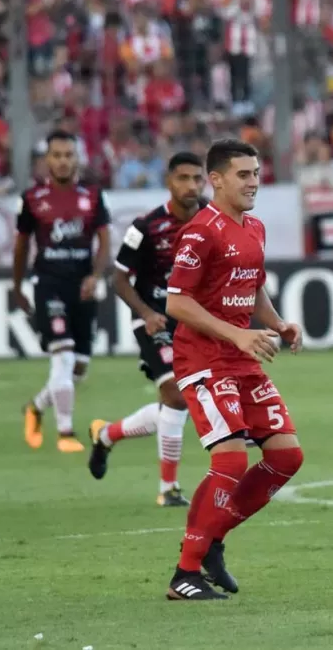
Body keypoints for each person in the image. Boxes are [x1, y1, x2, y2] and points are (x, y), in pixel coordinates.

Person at [162, 140, 305, 601]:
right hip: (203, 359)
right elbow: (177, 302)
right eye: (243, 174)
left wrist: (276, 323)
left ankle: (213, 536)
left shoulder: (255, 228)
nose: (253, 182)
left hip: (242, 357)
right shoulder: (201, 232)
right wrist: (237, 334)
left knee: (286, 457)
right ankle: (185, 573)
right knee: (230, 459)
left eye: (257, 173)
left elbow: (253, 287)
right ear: (216, 180)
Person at [87, 153, 207, 507]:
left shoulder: (212, 220)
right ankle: (168, 489)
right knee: (177, 393)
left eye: (197, 179)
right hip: (153, 317)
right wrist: (145, 312)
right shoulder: (147, 227)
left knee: (179, 401)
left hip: (193, 318)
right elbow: (119, 278)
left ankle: (107, 434)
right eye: (183, 178)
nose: (191, 186)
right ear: (169, 182)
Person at [15, 130, 112, 453]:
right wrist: (17, 285)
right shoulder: (32, 199)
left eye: (68, 155)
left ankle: (35, 407)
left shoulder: (93, 197)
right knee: (64, 355)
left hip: (82, 287)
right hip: (49, 286)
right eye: (56, 155)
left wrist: (96, 275)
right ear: (47, 160)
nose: (62, 161)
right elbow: (21, 245)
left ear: (77, 158)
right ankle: (66, 433)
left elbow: (104, 241)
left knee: (79, 367)